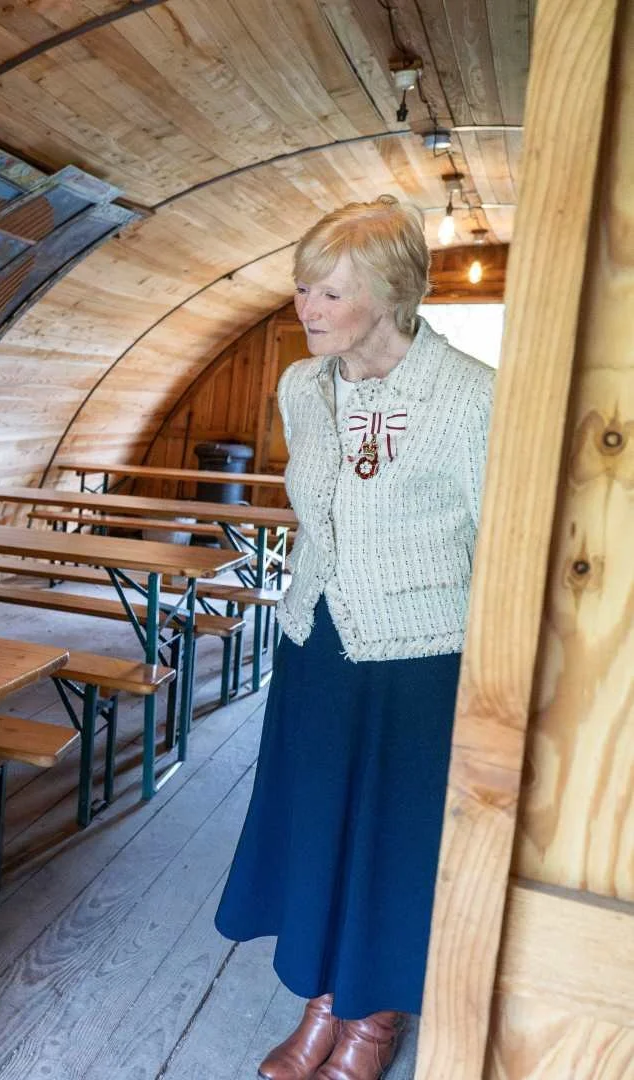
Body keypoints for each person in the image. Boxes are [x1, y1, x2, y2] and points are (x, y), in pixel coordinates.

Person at [214, 196, 494, 1080]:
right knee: (318, 826)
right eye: (301, 289)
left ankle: (372, 1019)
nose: (306, 310)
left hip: (417, 661)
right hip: (317, 644)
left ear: (391, 292)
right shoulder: (302, 387)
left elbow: (501, 544)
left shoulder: (469, 397)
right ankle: (323, 997)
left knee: (391, 839)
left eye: (329, 294)